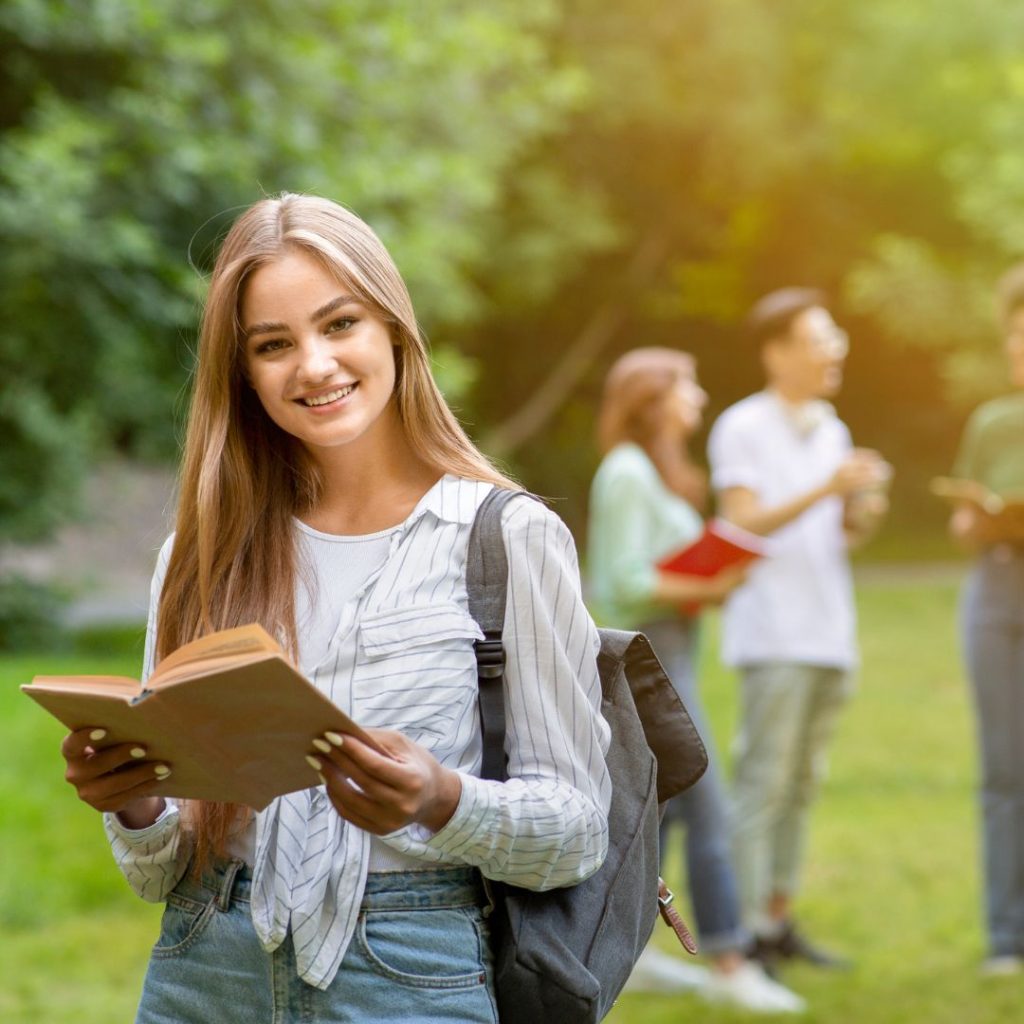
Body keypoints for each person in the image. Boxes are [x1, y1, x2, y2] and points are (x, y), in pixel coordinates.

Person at [59, 193, 612, 1023]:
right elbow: (157, 873)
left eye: (340, 323)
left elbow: (578, 833)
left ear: (392, 326)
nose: (313, 365)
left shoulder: (506, 537)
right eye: (273, 345)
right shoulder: (201, 552)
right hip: (201, 966)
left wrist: (440, 798)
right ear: (243, 374)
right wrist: (132, 802)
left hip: (408, 971)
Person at [587, 347, 805, 1013]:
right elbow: (620, 581)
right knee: (709, 802)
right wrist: (708, 585)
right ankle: (731, 958)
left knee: (666, 810)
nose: (700, 401)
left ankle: (628, 952)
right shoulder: (626, 472)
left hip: (672, 652)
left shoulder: (651, 472)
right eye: (688, 388)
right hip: (649, 657)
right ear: (653, 401)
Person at [707, 288, 890, 976]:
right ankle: (745, 933)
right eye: (820, 337)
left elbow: (837, 532)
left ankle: (778, 921)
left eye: (835, 335)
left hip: (829, 632)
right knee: (763, 784)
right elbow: (740, 525)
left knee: (805, 785)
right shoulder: (743, 426)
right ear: (777, 352)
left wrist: (860, 508)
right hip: (773, 633)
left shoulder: (832, 427)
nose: (835, 347)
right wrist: (826, 488)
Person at [948, 263, 1024, 976]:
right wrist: (976, 515)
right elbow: (962, 523)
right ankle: (1007, 938)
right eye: (1013, 338)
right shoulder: (992, 421)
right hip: (997, 593)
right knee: (1004, 770)